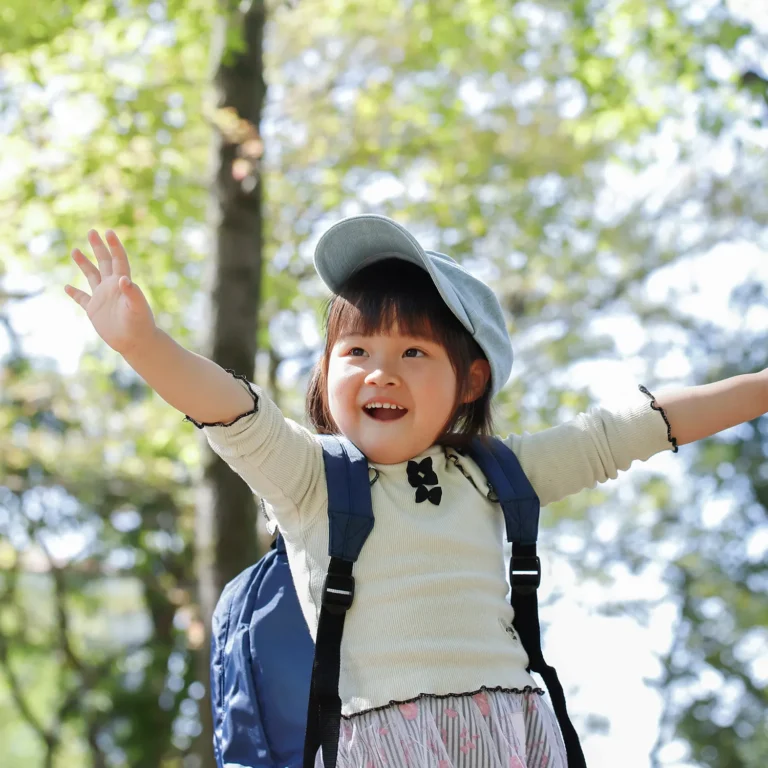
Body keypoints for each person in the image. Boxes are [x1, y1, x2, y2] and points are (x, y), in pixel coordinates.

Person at [65, 215, 768, 768]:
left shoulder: (497, 474)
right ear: (324, 372)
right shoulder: (309, 478)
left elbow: (638, 429)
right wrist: (143, 345)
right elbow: (229, 411)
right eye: (357, 351)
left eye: (414, 353)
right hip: (381, 742)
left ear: (469, 381)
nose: (381, 373)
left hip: (515, 732)